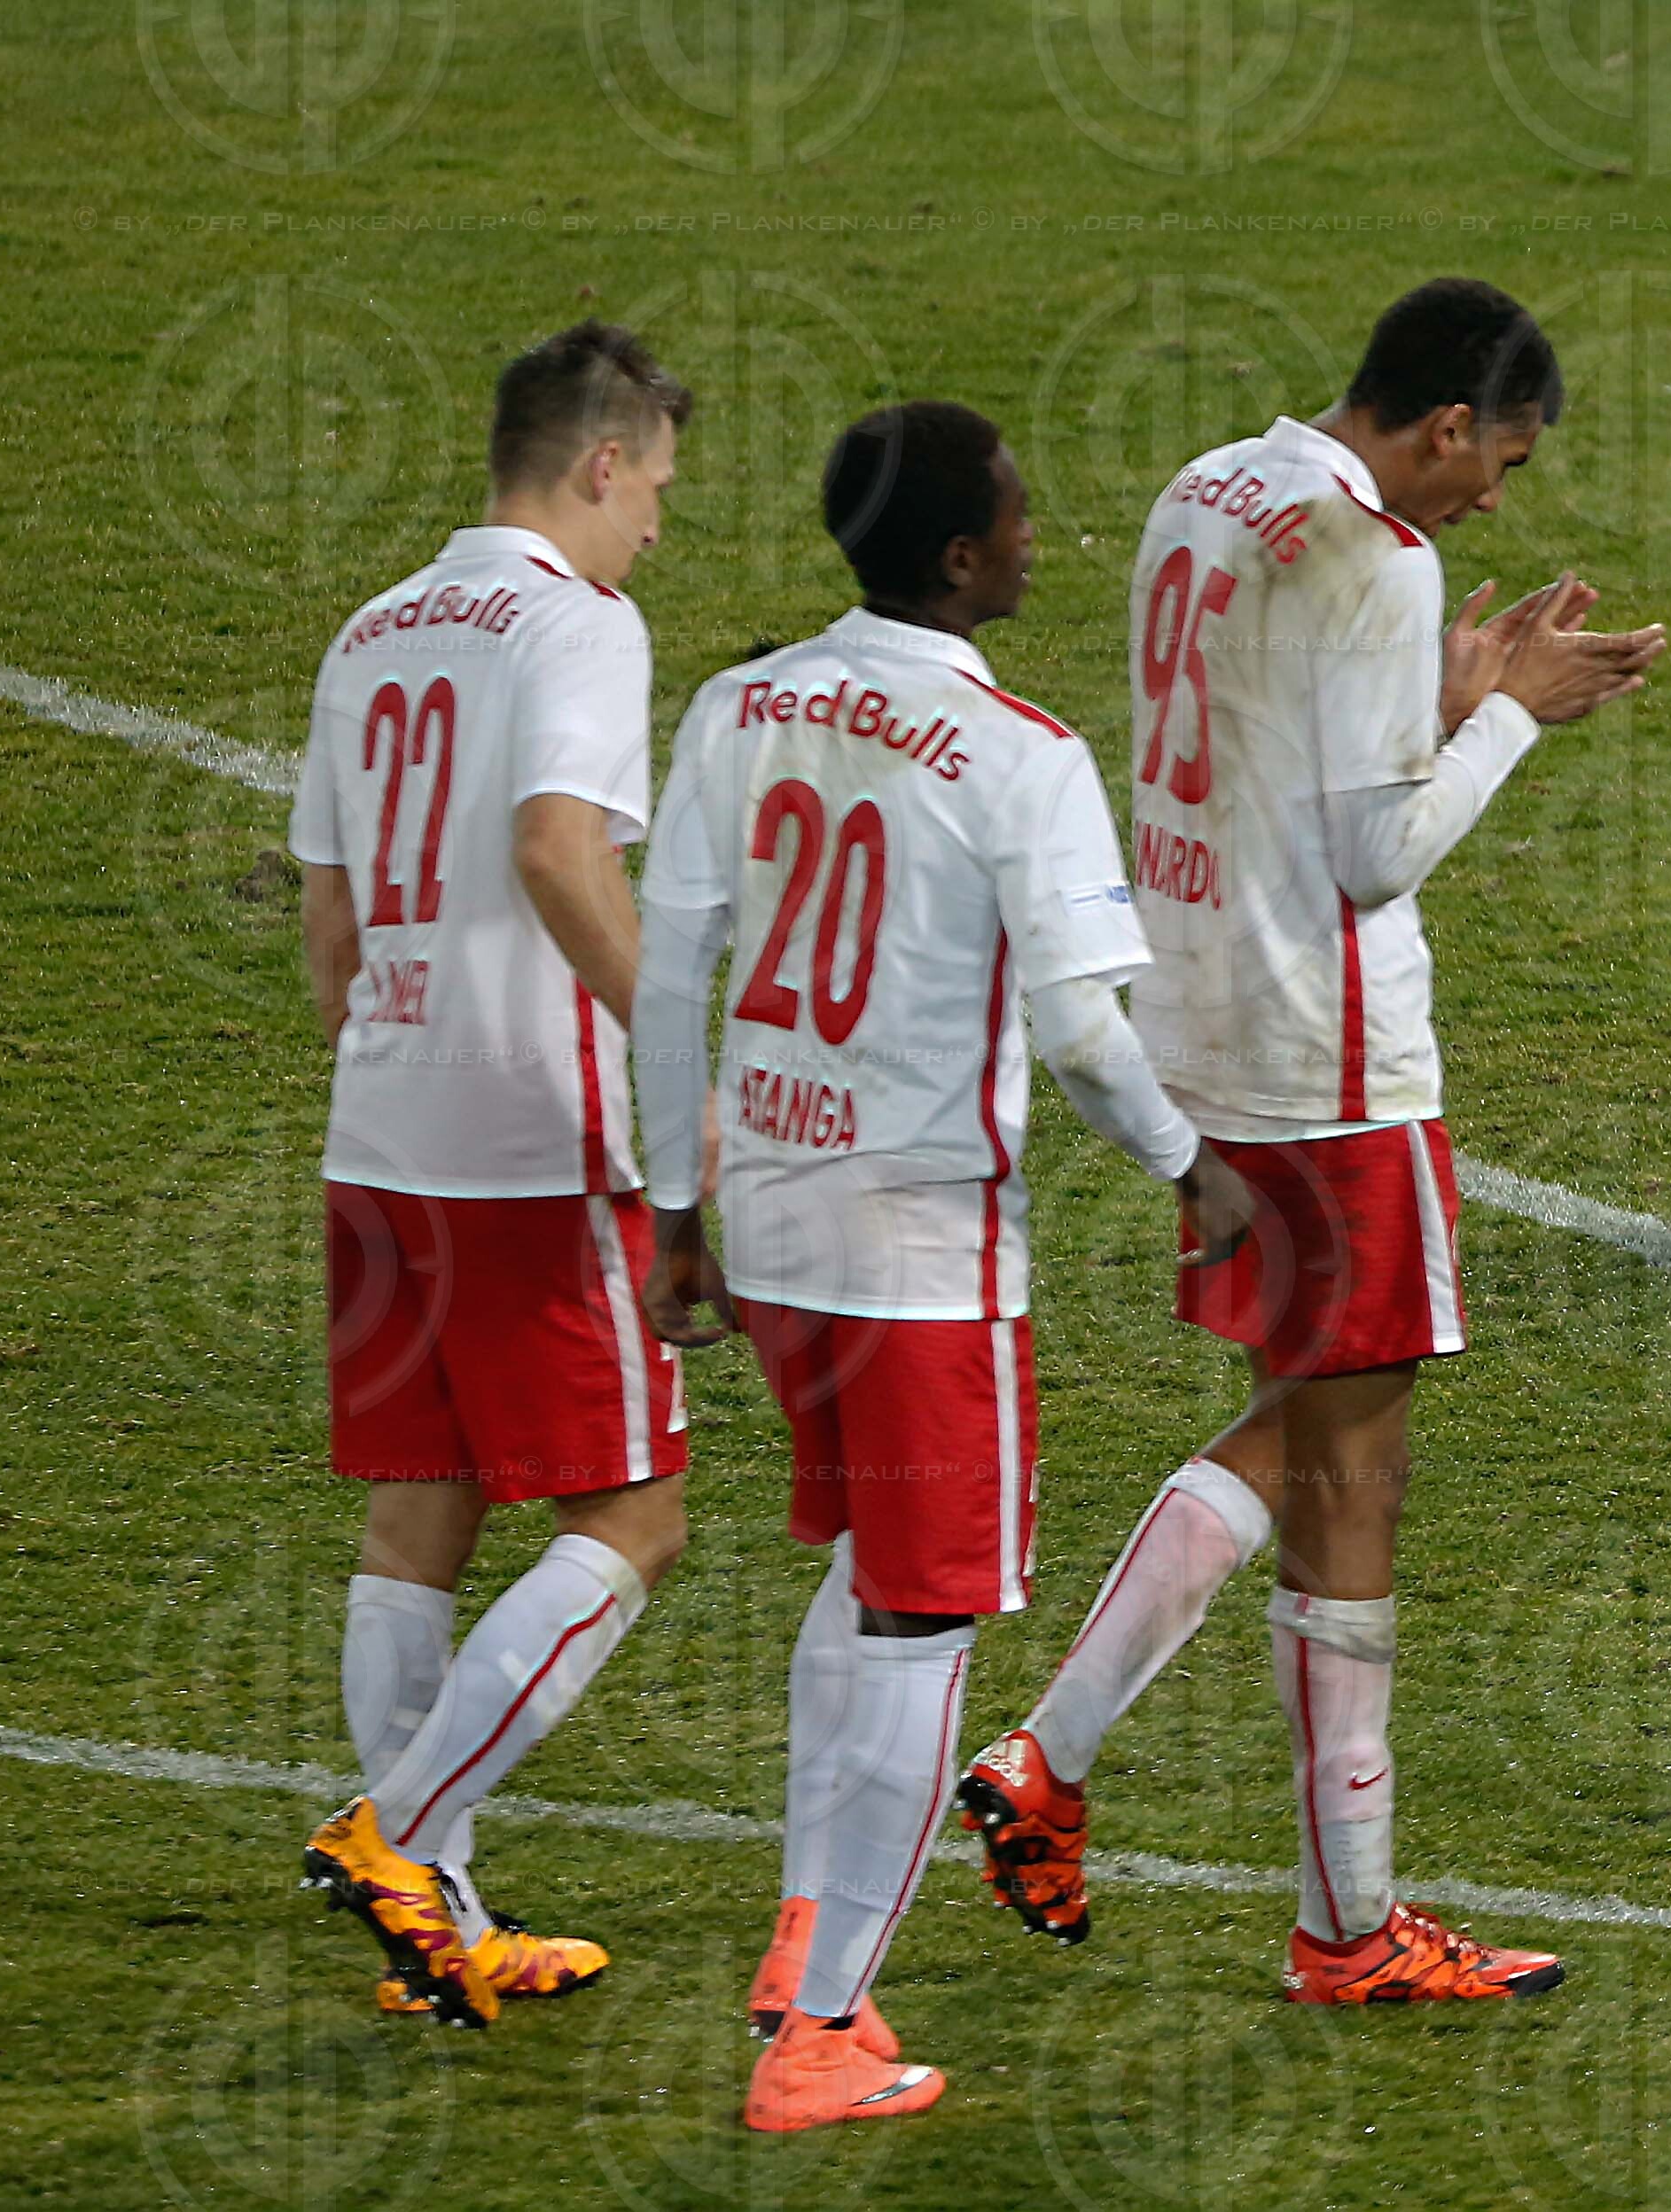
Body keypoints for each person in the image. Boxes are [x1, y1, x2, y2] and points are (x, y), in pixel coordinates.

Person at [955, 277, 1667, 2003]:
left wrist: (1435, 696)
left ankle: (1078, 1777)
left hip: (1201, 1028)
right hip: (1331, 1062)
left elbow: (1274, 750)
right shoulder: (1377, 554)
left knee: (1306, 1421)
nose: (1491, 497)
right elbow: (1372, 856)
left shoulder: (1209, 488)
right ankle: (1323, 1919)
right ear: (1447, 426)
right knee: (1352, 1474)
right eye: (1498, 461)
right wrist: (1512, 711)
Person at [633, 401, 1260, 2130]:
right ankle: (822, 2032)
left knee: (864, 1577)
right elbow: (1083, 1030)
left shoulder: (737, 704)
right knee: (923, 1622)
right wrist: (1193, 1167)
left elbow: (671, 968)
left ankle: (802, 1930)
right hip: (918, 1256)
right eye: (1019, 516)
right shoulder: (1019, 754)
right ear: (964, 557)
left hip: (771, 1222)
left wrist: (670, 1207)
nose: (1040, 536)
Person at [290, 322, 694, 2027]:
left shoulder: (371, 629)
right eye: (655, 485)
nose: (655, 524)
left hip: (381, 1127)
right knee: (639, 1510)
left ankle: (437, 1920)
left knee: (421, 1511)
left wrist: (400, 1046)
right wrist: (679, 1056)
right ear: (600, 463)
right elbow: (556, 847)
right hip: (533, 1138)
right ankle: (403, 1834)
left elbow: (329, 930)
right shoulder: (577, 620)